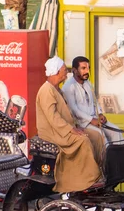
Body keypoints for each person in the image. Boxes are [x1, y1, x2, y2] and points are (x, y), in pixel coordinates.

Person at [36, 55, 105, 192]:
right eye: (63, 70)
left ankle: (97, 172)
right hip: (54, 132)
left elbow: (67, 113)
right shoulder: (46, 90)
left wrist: (76, 126)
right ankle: (88, 179)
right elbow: (53, 118)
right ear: (56, 72)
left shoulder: (57, 89)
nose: (66, 73)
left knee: (96, 137)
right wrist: (71, 130)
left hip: (65, 128)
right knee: (83, 140)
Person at [62, 56, 124, 146]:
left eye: (88, 68)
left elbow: (95, 101)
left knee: (116, 131)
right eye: (83, 68)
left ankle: (121, 158)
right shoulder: (69, 86)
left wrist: (100, 114)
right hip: (82, 123)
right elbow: (74, 110)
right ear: (74, 70)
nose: (87, 71)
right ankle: (106, 160)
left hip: (95, 119)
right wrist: (91, 120)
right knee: (102, 137)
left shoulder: (88, 83)